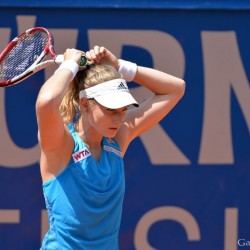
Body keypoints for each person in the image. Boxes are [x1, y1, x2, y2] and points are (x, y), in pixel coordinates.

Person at [36, 46, 185, 249]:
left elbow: (176, 88)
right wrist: (69, 65)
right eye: (110, 109)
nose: (118, 118)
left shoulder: (117, 139)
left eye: (123, 110)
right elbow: (46, 102)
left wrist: (119, 66)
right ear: (85, 104)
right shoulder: (61, 145)